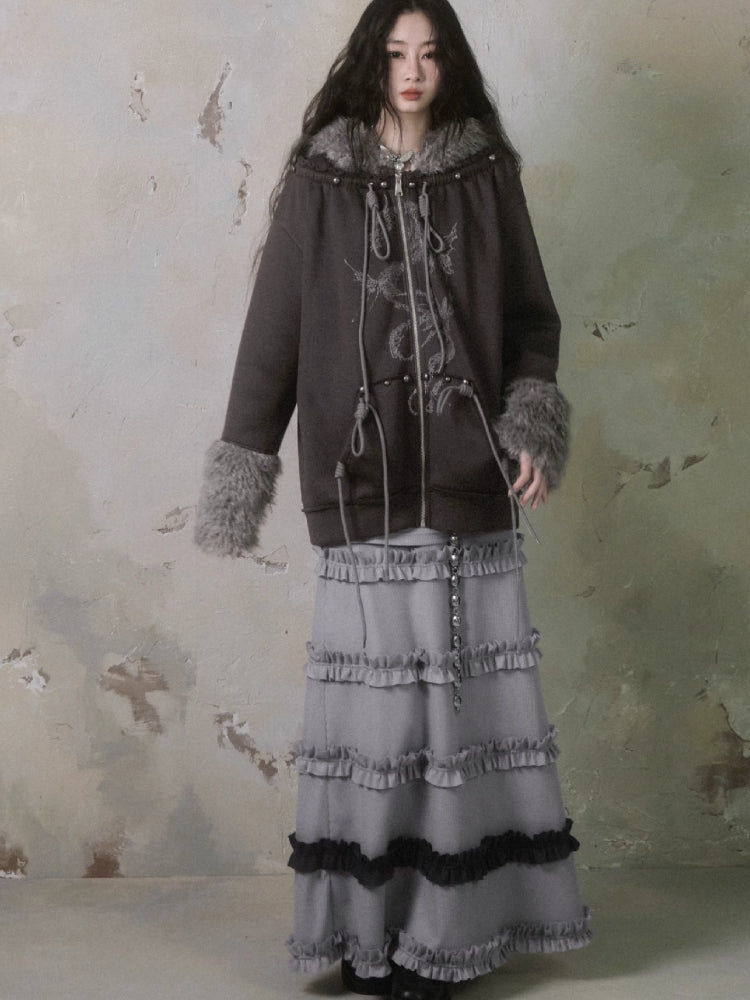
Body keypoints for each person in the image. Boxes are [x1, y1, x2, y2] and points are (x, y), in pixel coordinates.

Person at [195, 2, 591, 997]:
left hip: (468, 483)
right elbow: (274, 331)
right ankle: (367, 938)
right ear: (370, 63)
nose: (411, 72)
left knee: (456, 724)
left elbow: (531, 319)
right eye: (395, 54)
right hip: (361, 486)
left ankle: (446, 941)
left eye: (429, 54)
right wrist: (244, 464)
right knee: (380, 731)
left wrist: (531, 423)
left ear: (449, 66)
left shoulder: (484, 174)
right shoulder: (321, 182)